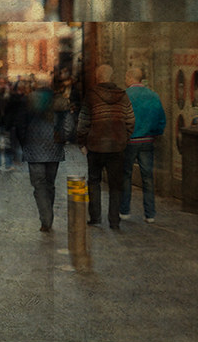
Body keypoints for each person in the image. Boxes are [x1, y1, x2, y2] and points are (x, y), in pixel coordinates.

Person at [76, 65, 134, 230]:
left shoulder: (91, 96)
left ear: (97, 77)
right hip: (117, 147)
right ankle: (114, 221)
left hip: (95, 146)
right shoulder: (123, 96)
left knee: (94, 181)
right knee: (116, 185)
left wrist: (82, 142)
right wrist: (124, 138)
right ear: (112, 76)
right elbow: (130, 119)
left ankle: (95, 217)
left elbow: (83, 121)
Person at [14, 78, 69, 232]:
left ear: (36, 85)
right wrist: (63, 139)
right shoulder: (60, 100)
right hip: (54, 146)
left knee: (39, 185)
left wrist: (24, 142)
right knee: (50, 184)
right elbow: (68, 123)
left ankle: (46, 219)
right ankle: (48, 215)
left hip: (34, 146)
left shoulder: (28, 100)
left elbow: (20, 124)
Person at [120, 68, 167, 223]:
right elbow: (161, 119)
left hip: (129, 141)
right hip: (147, 140)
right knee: (147, 177)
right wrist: (155, 132)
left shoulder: (124, 96)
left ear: (130, 77)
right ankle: (150, 213)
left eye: (126, 77)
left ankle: (125, 210)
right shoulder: (153, 95)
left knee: (126, 175)